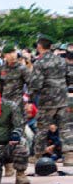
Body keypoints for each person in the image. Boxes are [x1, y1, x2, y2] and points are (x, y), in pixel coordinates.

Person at [30, 37, 72, 166]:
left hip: (47, 101)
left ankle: (38, 155)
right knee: (65, 128)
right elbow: (70, 77)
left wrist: (33, 96)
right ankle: (69, 156)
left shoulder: (39, 62)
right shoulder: (61, 61)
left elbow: (36, 83)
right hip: (62, 98)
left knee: (42, 128)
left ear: (39, 47)